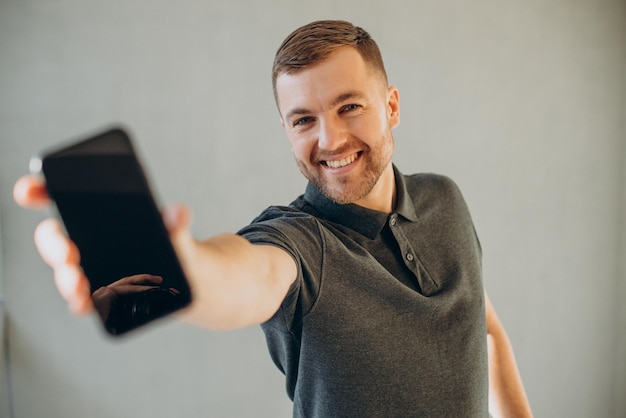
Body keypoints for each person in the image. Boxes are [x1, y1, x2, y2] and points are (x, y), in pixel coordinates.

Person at [14, 20, 532, 418]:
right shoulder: (299, 242)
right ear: (286, 129)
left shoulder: (445, 199)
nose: (329, 140)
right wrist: (184, 265)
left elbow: (482, 328)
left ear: (391, 106)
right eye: (304, 119)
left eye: (349, 106)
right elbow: (245, 274)